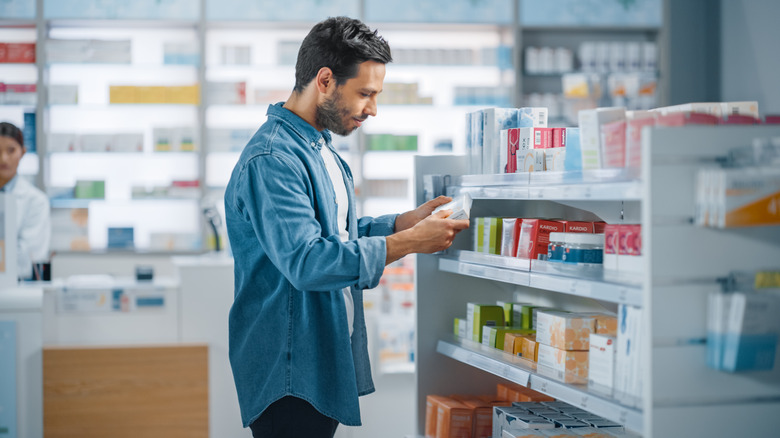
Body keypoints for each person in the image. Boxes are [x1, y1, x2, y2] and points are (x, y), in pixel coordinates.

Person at [224, 16, 469, 438]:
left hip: (318, 353)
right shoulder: (273, 160)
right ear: (324, 80)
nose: (372, 109)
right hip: (290, 368)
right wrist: (407, 242)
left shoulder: (319, 148)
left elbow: (335, 233)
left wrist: (400, 223)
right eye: (365, 94)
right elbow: (307, 261)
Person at [0, 122, 50, 280]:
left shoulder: (36, 201)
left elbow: (27, 259)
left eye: (11, 150)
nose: (3, 158)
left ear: (23, 152)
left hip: (18, 290)